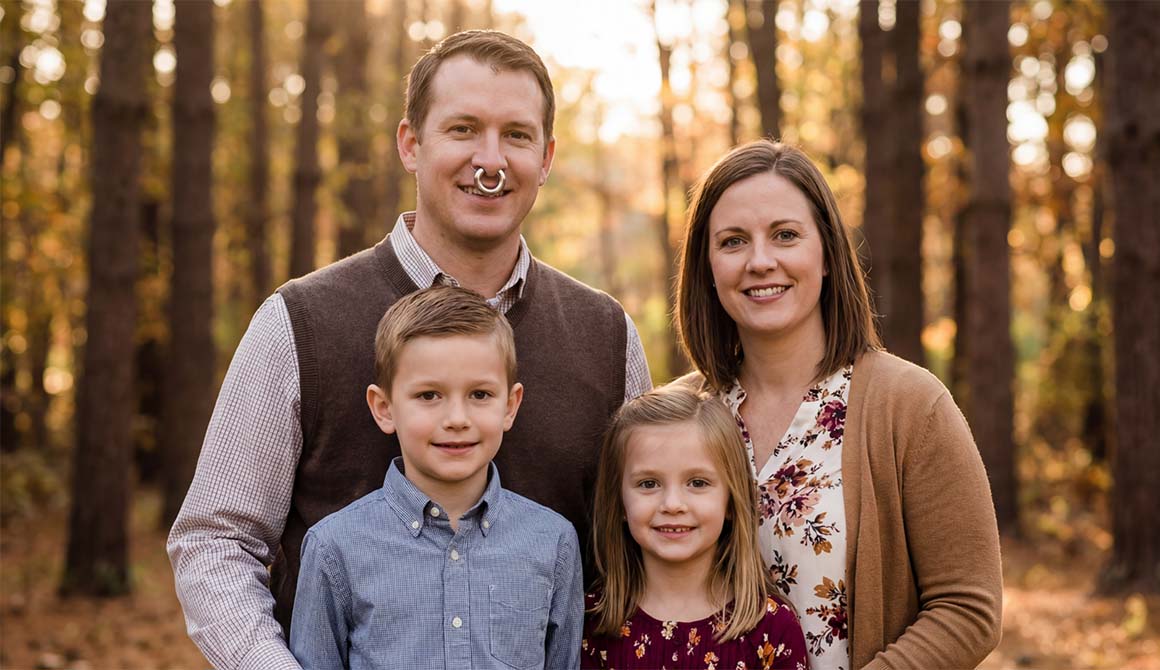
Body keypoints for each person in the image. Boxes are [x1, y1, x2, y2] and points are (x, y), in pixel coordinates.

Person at [168, 30, 651, 669]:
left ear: (548, 155)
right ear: (410, 145)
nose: (490, 159)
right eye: (462, 129)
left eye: (516, 134)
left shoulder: (606, 335)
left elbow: (642, 553)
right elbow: (215, 539)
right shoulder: (301, 323)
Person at [673, 140, 1002, 670]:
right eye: (733, 241)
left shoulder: (910, 407)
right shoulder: (671, 416)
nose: (761, 261)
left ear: (826, 253)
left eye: (785, 235)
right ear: (707, 267)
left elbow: (969, 608)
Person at [289, 286, 583, 669]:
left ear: (510, 406)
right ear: (384, 408)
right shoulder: (335, 548)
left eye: (479, 394)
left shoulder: (553, 542)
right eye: (429, 396)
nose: (457, 419)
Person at [583, 385, 809, 670]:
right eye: (648, 484)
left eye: (698, 483)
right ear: (618, 503)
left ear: (731, 498)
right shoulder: (592, 623)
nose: (673, 504)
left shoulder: (772, 628)